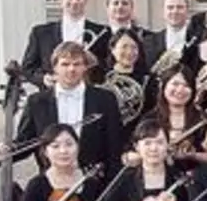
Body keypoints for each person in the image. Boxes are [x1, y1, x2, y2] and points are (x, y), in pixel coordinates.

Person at [10, 41, 125, 176]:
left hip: (94, 181)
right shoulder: (36, 102)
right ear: (54, 68)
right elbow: (26, 142)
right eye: (65, 64)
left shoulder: (105, 99)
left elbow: (115, 144)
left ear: (85, 67)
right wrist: (8, 151)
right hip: (51, 182)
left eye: (77, 64)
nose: (71, 69)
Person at [20, 0, 107, 83]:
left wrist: (95, 61)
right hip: (52, 95)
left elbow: (110, 67)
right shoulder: (40, 33)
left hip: (90, 94)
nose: (74, 2)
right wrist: (43, 78)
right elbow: (27, 68)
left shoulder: (102, 32)